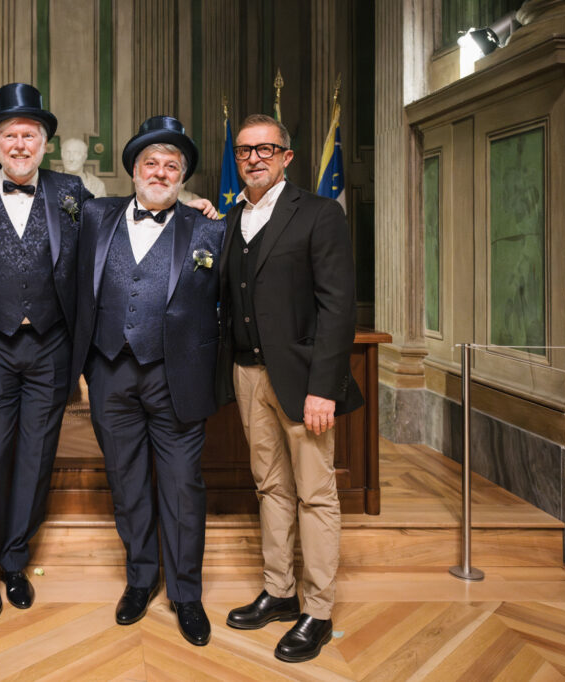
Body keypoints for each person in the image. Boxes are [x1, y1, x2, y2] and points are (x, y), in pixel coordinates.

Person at [71, 116, 225, 646]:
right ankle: (140, 579)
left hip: (177, 379)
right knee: (127, 482)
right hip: (109, 372)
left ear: (183, 176)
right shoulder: (96, 215)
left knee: (182, 487)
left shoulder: (210, 229)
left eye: (171, 166)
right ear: (133, 171)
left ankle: (186, 593)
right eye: (151, 163)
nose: (160, 172)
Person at [217, 114, 361, 663]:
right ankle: (279, 592)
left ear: (287, 157)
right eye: (244, 150)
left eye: (266, 149)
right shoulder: (233, 218)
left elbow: (338, 307)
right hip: (248, 375)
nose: (254, 158)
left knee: (315, 494)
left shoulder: (320, 213)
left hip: (304, 383)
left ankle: (317, 611)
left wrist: (324, 388)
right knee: (270, 488)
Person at [0, 83, 94, 619]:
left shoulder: (71, 191)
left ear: (44, 143)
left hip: (51, 346)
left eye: (29, 136)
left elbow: (115, 229)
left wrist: (191, 210)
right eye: (10, 135)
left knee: (37, 458)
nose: (19, 144)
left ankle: (15, 562)